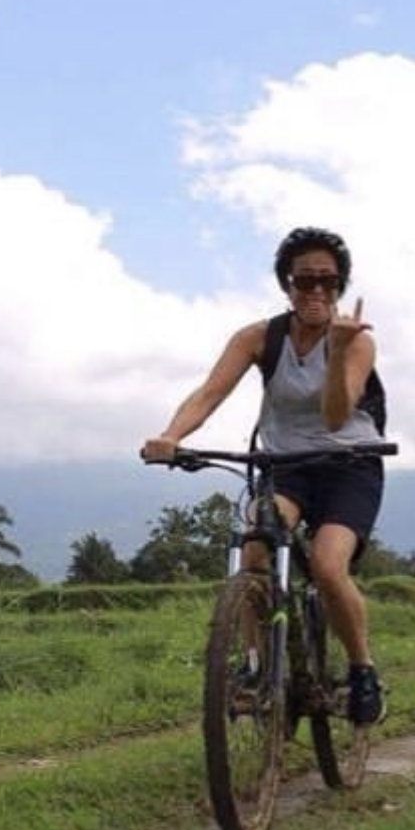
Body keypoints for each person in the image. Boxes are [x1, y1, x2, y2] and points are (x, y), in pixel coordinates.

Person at [140, 226, 389, 726]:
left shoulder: (357, 343)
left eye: (328, 281)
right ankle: (256, 667)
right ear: (287, 285)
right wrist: (171, 436)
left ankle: (362, 670)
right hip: (285, 466)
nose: (316, 291)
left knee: (326, 564)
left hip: (350, 465)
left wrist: (338, 351)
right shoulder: (258, 338)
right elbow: (209, 393)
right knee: (255, 544)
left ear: (340, 286)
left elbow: (337, 416)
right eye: (305, 281)